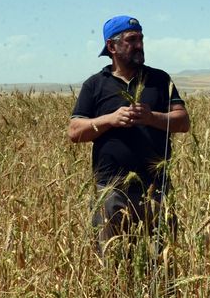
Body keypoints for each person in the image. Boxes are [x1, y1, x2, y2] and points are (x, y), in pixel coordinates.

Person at [68, 15, 190, 254]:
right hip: (111, 191)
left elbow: (183, 122)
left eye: (141, 39)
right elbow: (74, 131)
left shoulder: (159, 79)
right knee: (113, 266)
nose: (139, 45)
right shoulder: (94, 85)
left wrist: (152, 117)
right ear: (112, 47)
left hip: (157, 189)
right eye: (131, 39)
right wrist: (110, 120)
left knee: (164, 265)